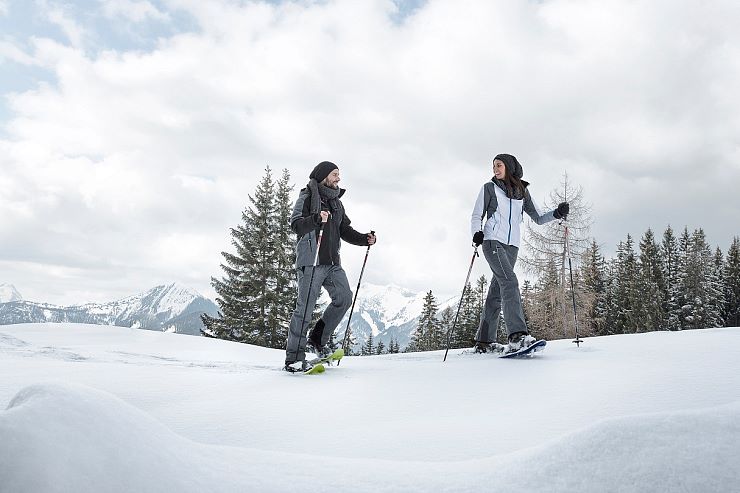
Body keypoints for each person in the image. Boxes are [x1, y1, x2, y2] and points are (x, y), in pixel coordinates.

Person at [470, 154, 568, 354]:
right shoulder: (489, 188)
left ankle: (484, 341)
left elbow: (539, 217)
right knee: (510, 282)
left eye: (499, 165)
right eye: (494, 166)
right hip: (492, 241)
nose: (495, 169)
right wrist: (476, 233)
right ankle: (517, 336)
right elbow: (476, 214)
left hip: (512, 246)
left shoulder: (522, 192)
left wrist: (557, 213)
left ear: (510, 167)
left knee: (497, 292)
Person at [284, 161, 376, 372]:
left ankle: (317, 339)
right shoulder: (307, 197)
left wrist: (365, 239)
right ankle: (293, 359)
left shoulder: (336, 203)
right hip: (311, 262)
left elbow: (345, 229)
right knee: (304, 309)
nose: (338, 178)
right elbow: (296, 224)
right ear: (324, 175)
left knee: (344, 299)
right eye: (335, 174)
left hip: (333, 264)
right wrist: (316, 219)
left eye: (338, 175)